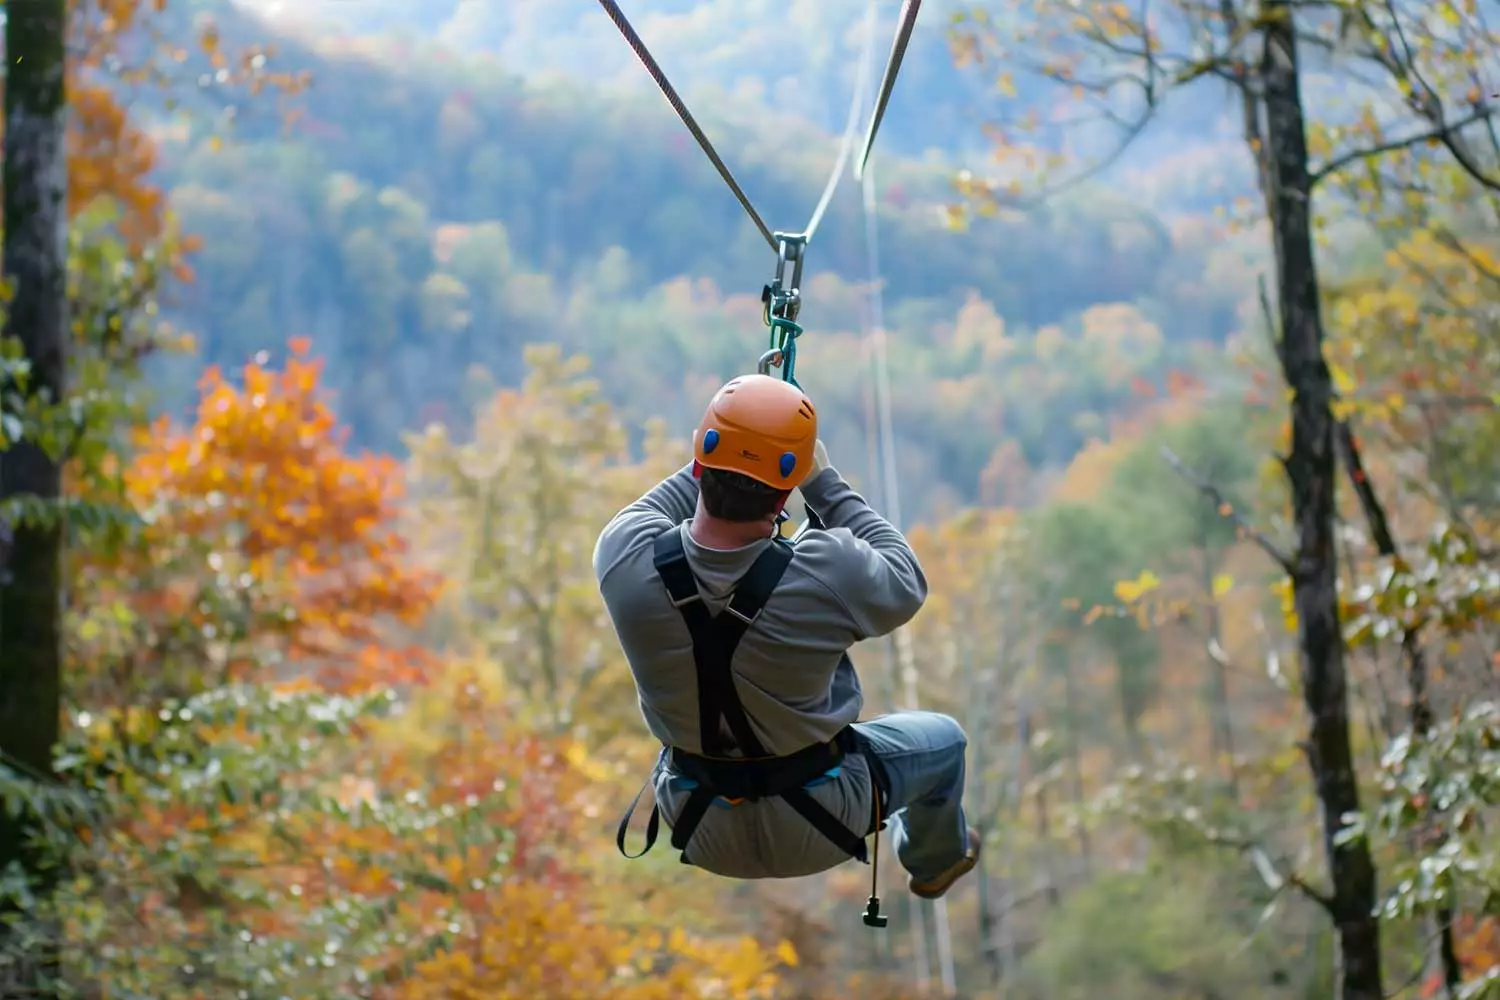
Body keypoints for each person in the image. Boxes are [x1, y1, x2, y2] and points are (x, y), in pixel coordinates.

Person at [594, 373, 979, 901]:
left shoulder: (624, 556)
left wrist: (746, 429)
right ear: (784, 495)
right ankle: (933, 861)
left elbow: (684, 487)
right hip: (823, 818)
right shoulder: (828, 570)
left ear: (703, 459)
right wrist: (820, 479)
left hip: (698, 822)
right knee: (946, 742)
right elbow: (905, 577)